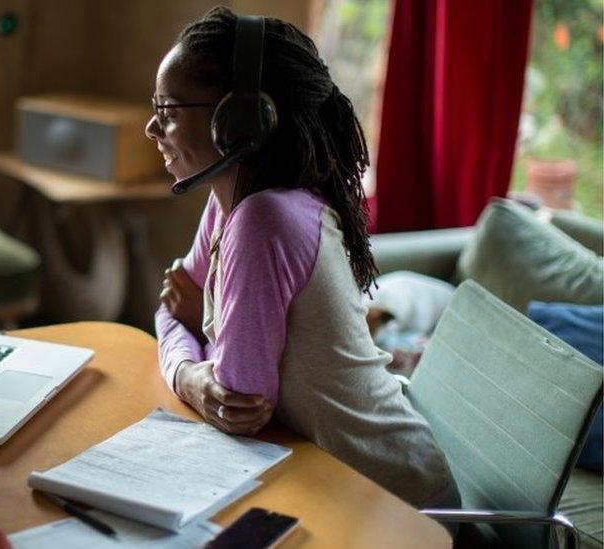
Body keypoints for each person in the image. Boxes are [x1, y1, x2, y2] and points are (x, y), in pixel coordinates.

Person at [149, 8, 458, 511]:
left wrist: (191, 354)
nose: (151, 127)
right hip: (322, 474)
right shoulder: (231, 200)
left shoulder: (263, 218)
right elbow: (168, 306)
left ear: (238, 121)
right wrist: (191, 366)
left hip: (394, 501)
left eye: (168, 110)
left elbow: (239, 401)